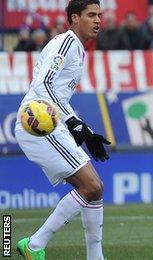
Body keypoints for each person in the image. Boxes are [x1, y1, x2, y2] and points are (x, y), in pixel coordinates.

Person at [14, 1, 110, 259]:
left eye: (99, 15)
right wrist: (72, 123)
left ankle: (95, 256)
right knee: (90, 186)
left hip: (50, 122)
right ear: (74, 18)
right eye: (91, 15)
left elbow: (59, 96)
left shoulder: (79, 50)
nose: (98, 20)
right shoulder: (65, 43)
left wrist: (84, 130)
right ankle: (34, 245)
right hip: (38, 123)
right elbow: (43, 85)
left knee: (95, 187)